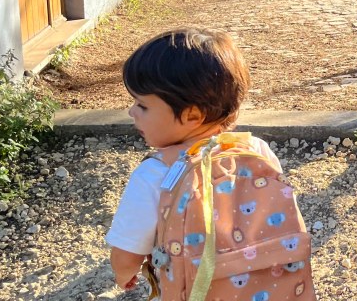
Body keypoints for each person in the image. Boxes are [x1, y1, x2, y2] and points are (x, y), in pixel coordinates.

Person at [105, 28, 276, 291]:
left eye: (142, 106)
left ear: (192, 115)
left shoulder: (156, 174)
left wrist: (122, 274)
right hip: (266, 286)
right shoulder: (257, 149)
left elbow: (127, 255)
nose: (131, 112)